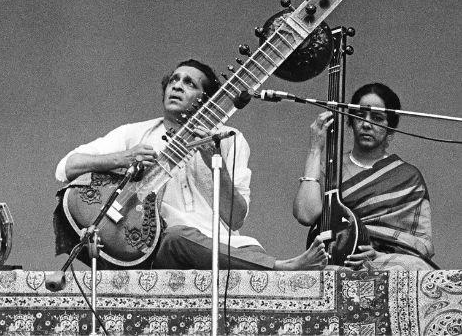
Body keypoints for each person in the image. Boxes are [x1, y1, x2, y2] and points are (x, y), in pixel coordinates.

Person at [55, 59, 327, 270]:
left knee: (219, 242)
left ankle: (259, 262)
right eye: (174, 80)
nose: (176, 86)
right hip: (156, 245)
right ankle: (280, 266)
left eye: (189, 83)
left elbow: (235, 218)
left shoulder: (229, 139)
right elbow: (66, 167)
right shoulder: (134, 134)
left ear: (207, 101)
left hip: (218, 244)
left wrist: (213, 160)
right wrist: (122, 158)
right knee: (176, 236)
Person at [293, 82, 435, 270]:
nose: (367, 124)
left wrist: (379, 255)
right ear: (350, 122)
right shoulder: (330, 167)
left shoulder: (407, 176)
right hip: (333, 261)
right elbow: (305, 215)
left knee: (415, 268)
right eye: (359, 116)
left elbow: (420, 244)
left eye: (377, 118)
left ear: (390, 127)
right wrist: (315, 148)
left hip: (385, 264)